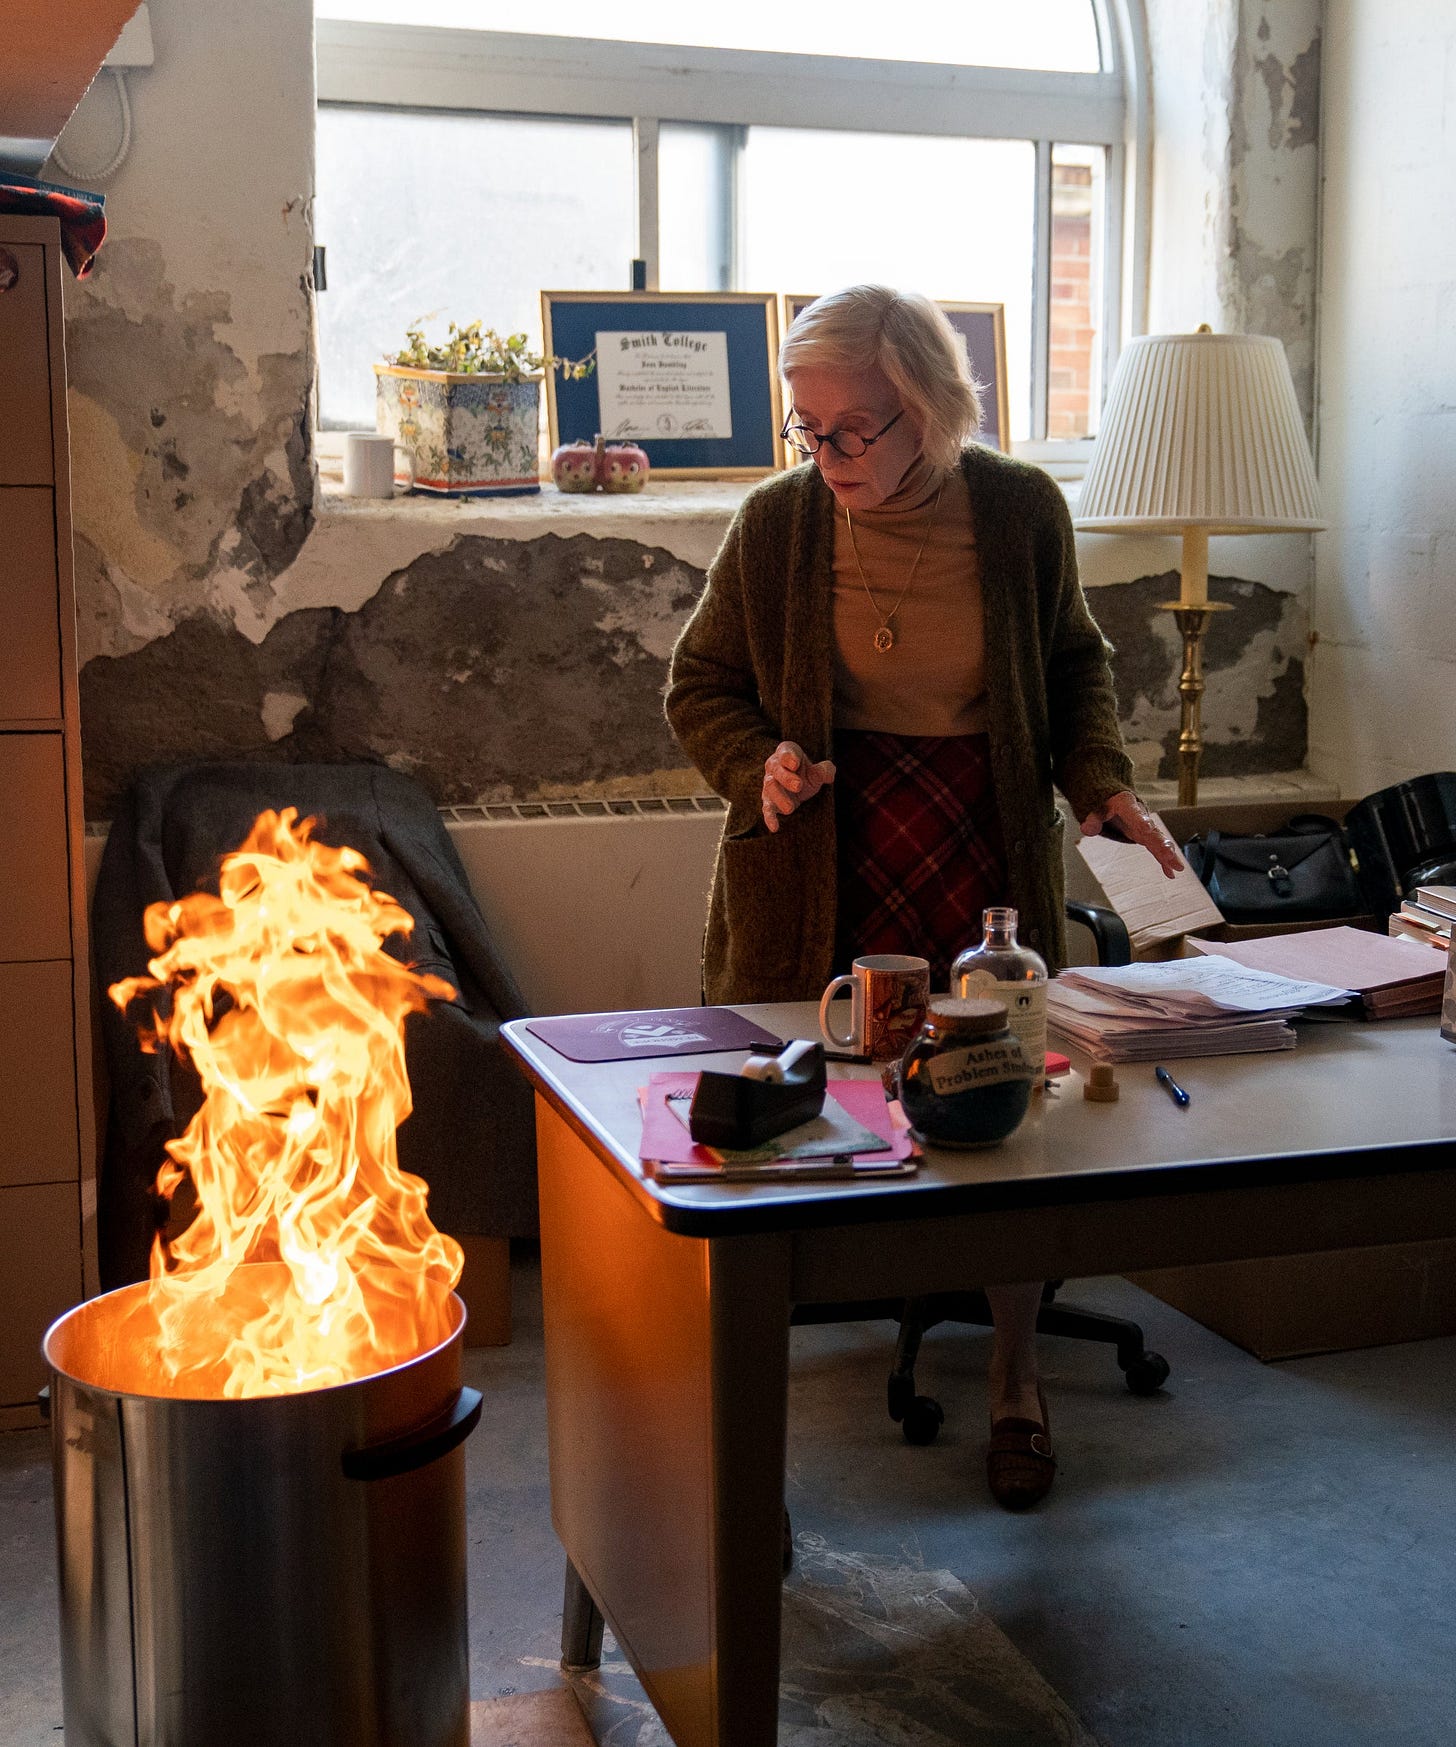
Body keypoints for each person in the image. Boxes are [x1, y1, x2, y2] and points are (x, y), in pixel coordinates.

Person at [665, 285, 1181, 1511]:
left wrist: (1100, 786)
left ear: (932, 409)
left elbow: (1072, 665)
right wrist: (761, 765)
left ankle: (1014, 1375)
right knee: (802, 1108)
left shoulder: (1015, 510)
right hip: (824, 851)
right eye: (810, 429)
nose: (831, 456)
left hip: (976, 839)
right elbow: (703, 685)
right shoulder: (776, 525)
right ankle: (752, 1432)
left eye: (860, 429)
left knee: (1001, 1105)